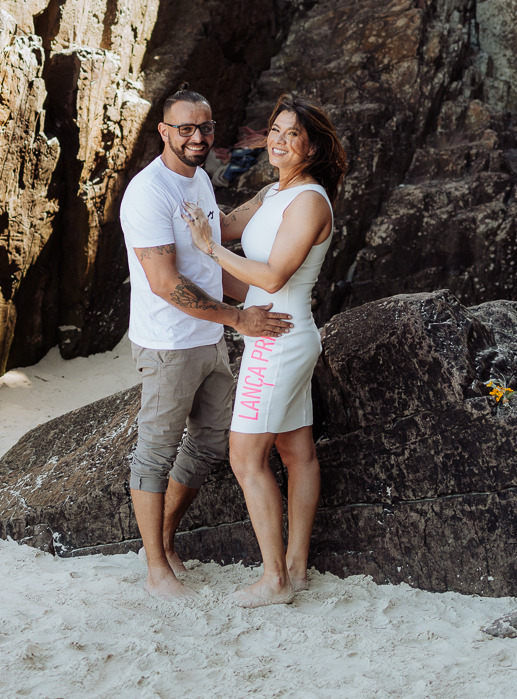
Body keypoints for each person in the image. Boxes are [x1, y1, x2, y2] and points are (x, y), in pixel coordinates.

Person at [119, 84, 293, 600]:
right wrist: (240, 318)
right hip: (168, 343)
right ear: (164, 132)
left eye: (206, 127)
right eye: (186, 128)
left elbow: (217, 241)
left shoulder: (197, 182)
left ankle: (167, 542)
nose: (197, 136)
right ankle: (156, 570)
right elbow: (165, 281)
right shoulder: (149, 192)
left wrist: (272, 192)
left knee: (212, 441)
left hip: (209, 337)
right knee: (155, 452)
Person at [182, 93, 346, 607]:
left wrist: (210, 250)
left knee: (244, 456)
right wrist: (179, 188)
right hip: (276, 336)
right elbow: (225, 224)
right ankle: (295, 569)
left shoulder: (311, 201)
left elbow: (274, 274)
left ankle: (273, 580)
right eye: (273, 129)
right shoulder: (272, 192)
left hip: (279, 337)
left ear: (312, 146)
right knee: (297, 452)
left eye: (291, 133)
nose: (277, 139)